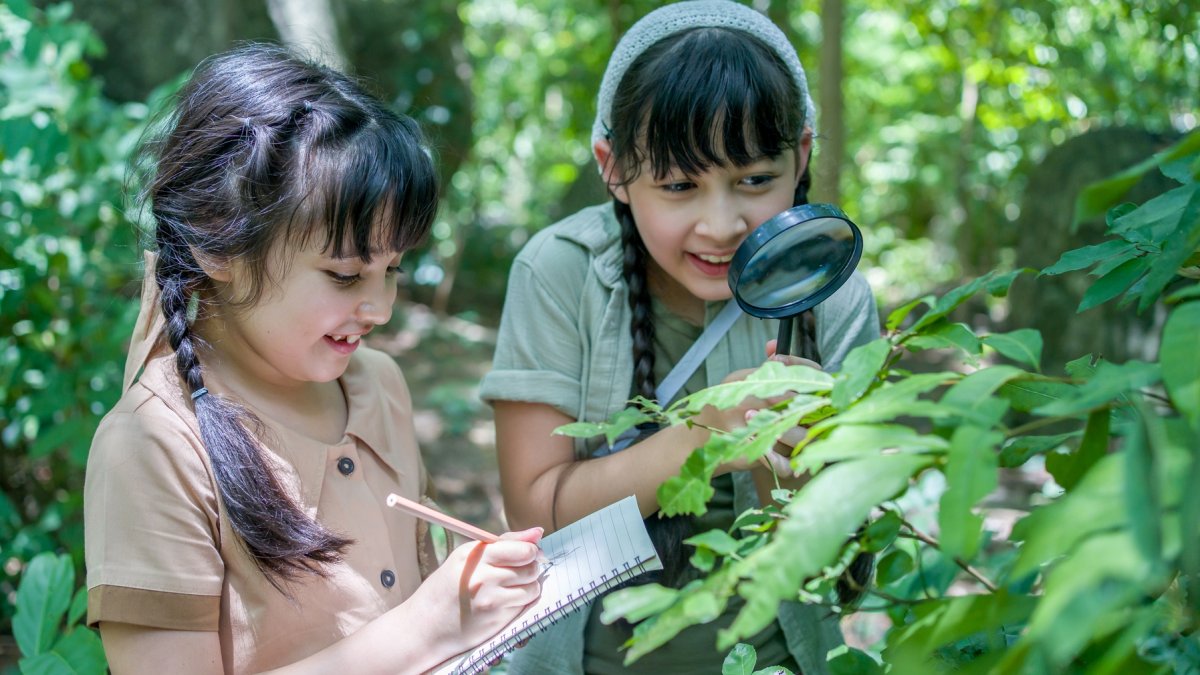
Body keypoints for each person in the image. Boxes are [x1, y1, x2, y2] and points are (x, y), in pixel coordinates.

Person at [84, 45, 542, 675]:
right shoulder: (153, 446)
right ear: (220, 244)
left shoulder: (380, 384)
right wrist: (426, 629)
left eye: (393, 269)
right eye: (346, 274)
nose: (380, 307)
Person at [480, 2, 880, 673]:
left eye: (754, 180)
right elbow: (534, 511)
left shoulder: (833, 291)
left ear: (801, 153)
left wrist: (789, 474)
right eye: (677, 185)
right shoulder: (560, 273)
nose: (721, 224)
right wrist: (704, 437)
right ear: (613, 168)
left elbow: (845, 571)